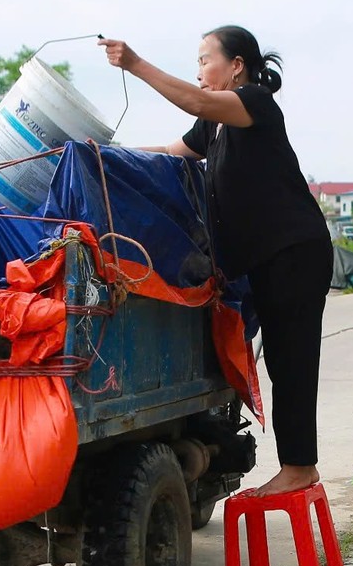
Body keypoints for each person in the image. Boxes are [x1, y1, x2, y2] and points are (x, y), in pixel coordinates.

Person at [102, 26, 333, 497]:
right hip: (268, 259)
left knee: (293, 361)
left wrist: (136, 64)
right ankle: (297, 464)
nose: (200, 71)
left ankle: (299, 467)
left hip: (294, 251)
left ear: (237, 66)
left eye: (206, 60)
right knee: (282, 364)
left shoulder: (253, 103)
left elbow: (198, 101)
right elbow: (172, 152)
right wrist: (106, 152)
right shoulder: (216, 125)